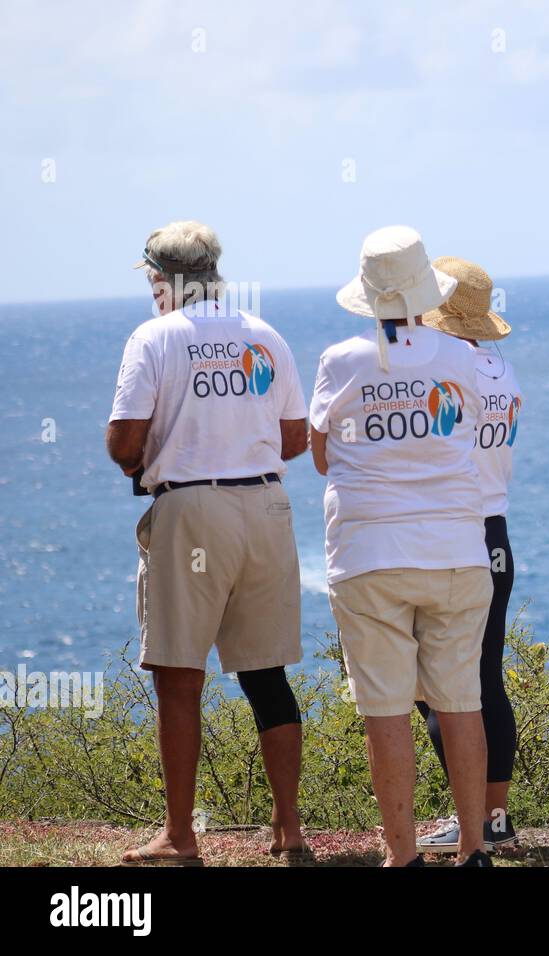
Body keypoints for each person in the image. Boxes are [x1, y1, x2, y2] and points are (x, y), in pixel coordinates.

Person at [105, 220, 310, 864]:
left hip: (191, 511)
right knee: (267, 672)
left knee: (177, 674)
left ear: (161, 280)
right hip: (266, 507)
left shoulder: (154, 337)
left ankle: (180, 836)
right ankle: (289, 829)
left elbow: (125, 444)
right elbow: (297, 437)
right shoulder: (264, 333)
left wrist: (172, 453)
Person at [310, 226, 493, 867]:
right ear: (423, 291)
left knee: (385, 713)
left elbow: (321, 454)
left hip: (369, 557)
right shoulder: (460, 356)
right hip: (455, 552)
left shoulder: (340, 360)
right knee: (462, 702)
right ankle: (474, 848)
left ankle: (402, 856)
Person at [412, 257, 522, 855]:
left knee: (441, 686)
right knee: (485, 680)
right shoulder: (504, 373)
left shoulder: (449, 372)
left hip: (453, 534)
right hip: (496, 532)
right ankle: (493, 817)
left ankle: (471, 820)